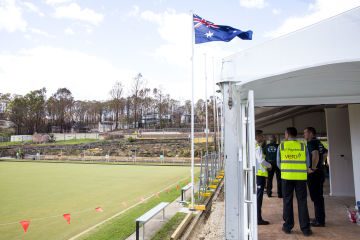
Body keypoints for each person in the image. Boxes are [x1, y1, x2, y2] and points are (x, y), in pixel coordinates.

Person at [277, 127, 312, 236]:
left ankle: (287, 226)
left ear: (287, 134)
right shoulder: (302, 146)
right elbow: (308, 163)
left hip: (286, 177)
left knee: (287, 201)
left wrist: (286, 169)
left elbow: (278, 162)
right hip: (301, 177)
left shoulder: (282, 146)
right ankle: (305, 229)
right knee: (302, 202)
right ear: (296, 135)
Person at [304, 127, 326, 227]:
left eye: (305, 133)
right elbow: (325, 153)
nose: (304, 135)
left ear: (311, 133)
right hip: (320, 171)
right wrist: (320, 164)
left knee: (316, 197)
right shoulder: (318, 142)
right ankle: (319, 218)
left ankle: (319, 221)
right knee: (319, 197)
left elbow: (315, 155)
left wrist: (313, 168)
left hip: (314, 174)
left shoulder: (311, 142)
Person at [255, 130, 271, 225]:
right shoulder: (257, 146)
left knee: (256, 197)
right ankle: (258, 219)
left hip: (254, 174)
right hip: (259, 175)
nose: (263, 138)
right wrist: (269, 165)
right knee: (258, 198)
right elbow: (261, 160)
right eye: (262, 136)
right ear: (257, 137)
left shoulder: (251, 145)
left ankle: (256, 217)